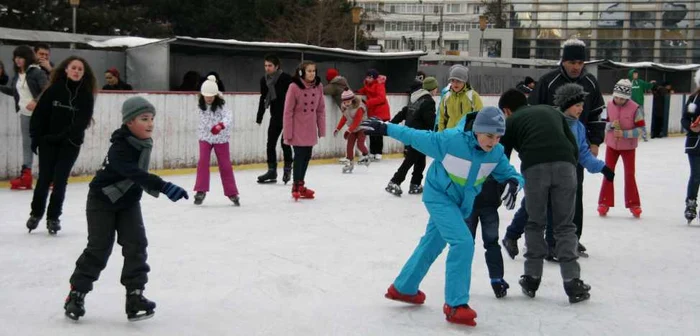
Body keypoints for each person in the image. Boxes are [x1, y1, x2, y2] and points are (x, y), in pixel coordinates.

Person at [360, 106, 522, 327]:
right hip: (439, 197)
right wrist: (385, 128)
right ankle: (456, 305)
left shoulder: (495, 153)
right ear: (476, 129)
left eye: (498, 137)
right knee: (463, 243)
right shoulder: (451, 141)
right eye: (489, 135)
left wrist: (514, 183)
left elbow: (510, 173)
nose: (493, 142)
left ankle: (404, 287)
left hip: (461, 205)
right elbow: (415, 136)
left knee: (431, 245)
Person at [63, 96, 189, 322]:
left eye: (152, 118)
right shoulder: (119, 149)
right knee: (99, 248)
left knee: (136, 245)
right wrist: (164, 186)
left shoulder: (142, 143)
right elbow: (135, 173)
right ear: (129, 122)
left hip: (128, 201)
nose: (150, 123)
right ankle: (76, 294)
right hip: (101, 201)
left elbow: (136, 178)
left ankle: (135, 296)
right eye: (144, 119)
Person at [498, 89, 592, 304]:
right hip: (566, 166)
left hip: (535, 168)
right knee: (565, 226)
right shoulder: (553, 112)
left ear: (506, 110)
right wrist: (568, 165)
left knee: (535, 223)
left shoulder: (511, 122)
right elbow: (572, 143)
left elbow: (501, 156)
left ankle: (531, 278)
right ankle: (572, 281)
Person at [502, 84, 615, 261]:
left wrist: (602, 167)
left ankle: (551, 245)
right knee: (531, 207)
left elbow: (583, 153)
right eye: (577, 105)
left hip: (564, 171)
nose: (581, 109)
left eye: (582, 105)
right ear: (565, 104)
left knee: (555, 206)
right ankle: (512, 236)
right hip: (540, 168)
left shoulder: (578, 128)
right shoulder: (552, 119)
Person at [527, 38, 605, 258]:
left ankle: (572, 239)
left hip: (575, 151)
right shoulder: (548, 82)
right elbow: (532, 112)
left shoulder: (590, 82)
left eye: (580, 62)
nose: (576, 66)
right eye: (571, 61)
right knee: (547, 195)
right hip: (547, 150)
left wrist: (595, 141)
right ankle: (548, 241)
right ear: (563, 61)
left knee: (573, 194)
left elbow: (598, 114)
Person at [25, 56, 96, 235]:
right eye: (74, 68)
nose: (77, 71)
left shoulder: (86, 95)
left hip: (70, 144)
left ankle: (53, 217)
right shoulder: (54, 90)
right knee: (44, 179)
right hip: (48, 142)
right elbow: (39, 115)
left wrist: (64, 136)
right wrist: (36, 138)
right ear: (66, 69)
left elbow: (82, 121)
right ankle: (36, 213)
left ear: (83, 73)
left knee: (60, 180)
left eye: (80, 69)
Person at [0, 45, 49, 190]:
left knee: (43, 145)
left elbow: (47, 89)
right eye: (16, 57)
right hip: (25, 114)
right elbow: (15, 92)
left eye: (21, 57)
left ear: (27, 58)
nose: (17, 60)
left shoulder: (36, 72)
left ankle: (48, 176)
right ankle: (26, 177)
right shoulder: (17, 75)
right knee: (27, 145)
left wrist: (35, 101)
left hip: (41, 114)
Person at [598, 79, 645, 218]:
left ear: (628, 97)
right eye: (616, 97)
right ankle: (604, 202)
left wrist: (624, 134)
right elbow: (603, 124)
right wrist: (611, 125)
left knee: (629, 174)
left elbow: (641, 130)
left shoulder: (635, 108)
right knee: (608, 173)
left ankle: (634, 204)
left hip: (629, 147)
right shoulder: (608, 106)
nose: (618, 100)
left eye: (622, 98)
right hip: (612, 146)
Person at [385, 76, 438, 196]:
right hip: (419, 135)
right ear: (432, 89)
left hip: (410, 133)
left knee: (420, 160)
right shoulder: (428, 101)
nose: (436, 91)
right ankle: (394, 181)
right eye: (435, 88)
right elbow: (429, 119)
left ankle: (415, 184)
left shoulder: (416, 97)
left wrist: (391, 124)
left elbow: (404, 112)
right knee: (410, 160)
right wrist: (438, 127)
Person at [193, 75, 240, 206]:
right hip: (205, 137)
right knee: (203, 162)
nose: (208, 98)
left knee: (225, 165)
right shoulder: (200, 105)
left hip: (221, 138)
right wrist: (211, 128)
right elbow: (204, 121)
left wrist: (220, 126)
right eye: (206, 96)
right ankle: (200, 191)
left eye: (211, 96)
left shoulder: (222, 104)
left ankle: (232, 192)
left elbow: (229, 116)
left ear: (215, 95)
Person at [283, 60, 326, 200]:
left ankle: (301, 185)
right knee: (300, 155)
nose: (312, 74)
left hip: (310, 127)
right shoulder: (294, 87)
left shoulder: (318, 86)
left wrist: (321, 128)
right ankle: (296, 185)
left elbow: (321, 110)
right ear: (302, 72)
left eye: (314, 71)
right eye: (309, 71)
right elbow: (288, 111)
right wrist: (288, 132)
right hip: (297, 127)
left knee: (307, 155)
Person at [256, 54, 294, 184]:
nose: (267, 68)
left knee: (285, 143)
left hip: (289, 115)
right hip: (276, 115)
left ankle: (288, 167)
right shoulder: (264, 80)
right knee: (270, 143)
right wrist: (259, 115)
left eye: (270, 66)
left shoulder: (286, 78)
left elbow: (296, 95)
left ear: (277, 66)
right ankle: (272, 170)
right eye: (265, 65)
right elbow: (263, 97)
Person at [333, 89, 371, 173]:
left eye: (348, 101)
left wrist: (349, 130)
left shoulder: (359, 107)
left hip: (362, 127)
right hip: (353, 129)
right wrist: (338, 129)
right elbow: (344, 118)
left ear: (352, 99)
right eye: (345, 102)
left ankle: (366, 155)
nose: (347, 103)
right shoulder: (345, 107)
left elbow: (357, 121)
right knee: (349, 145)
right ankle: (350, 162)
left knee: (360, 144)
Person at [437, 65, 483, 131]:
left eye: (458, 81)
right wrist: (440, 136)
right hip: (449, 135)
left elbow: (479, 116)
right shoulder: (446, 97)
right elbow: (441, 119)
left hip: (466, 135)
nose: (455, 83)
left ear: (464, 81)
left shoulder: (472, 96)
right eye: (452, 80)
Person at [357, 69, 390, 160]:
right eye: (367, 77)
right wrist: (356, 92)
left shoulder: (379, 85)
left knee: (378, 133)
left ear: (374, 78)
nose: (368, 79)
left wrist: (368, 102)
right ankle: (372, 151)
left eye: (370, 77)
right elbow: (363, 91)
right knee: (371, 131)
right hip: (372, 111)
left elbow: (381, 98)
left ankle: (378, 152)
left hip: (381, 111)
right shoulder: (368, 85)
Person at [682, 70, 700, 224]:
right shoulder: (694, 99)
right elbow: (685, 119)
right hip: (695, 144)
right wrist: (691, 127)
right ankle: (691, 202)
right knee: (696, 175)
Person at [628, 69, 655, 141]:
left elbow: (647, 86)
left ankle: (644, 135)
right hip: (630, 105)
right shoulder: (628, 83)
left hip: (640, 104)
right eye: (634, 74)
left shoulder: (640, 82)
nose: (636, 75)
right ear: (631, 75)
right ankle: (631, 135)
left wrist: (651, 84)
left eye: (636, 74)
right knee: (630, 120)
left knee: (641, 120)